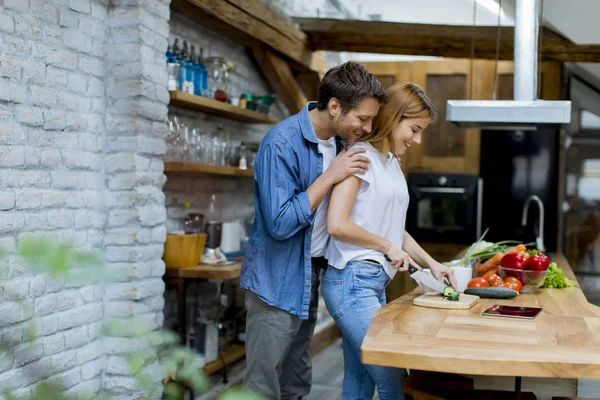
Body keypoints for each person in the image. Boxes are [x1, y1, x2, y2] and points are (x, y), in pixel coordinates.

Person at [240, 61, 388, 400]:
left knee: (296, 382)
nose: (366, 128)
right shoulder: (281, 143)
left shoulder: (339, 144)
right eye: (362, 119)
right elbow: (279, 224)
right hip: (275, 284)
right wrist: (330, 176)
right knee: (262, 386)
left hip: (309, 278)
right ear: (334, 106)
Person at [322, 83, 457, 400]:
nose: (418, 139)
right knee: (393, 377)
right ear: (394, 117)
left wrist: (432, 264)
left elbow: (395, 230)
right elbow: (337, 224)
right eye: (414, 129)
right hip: (350, 282)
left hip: (370, 284)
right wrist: (386, 246)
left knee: (359, 380)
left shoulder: (392, 164)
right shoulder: (359, 157)